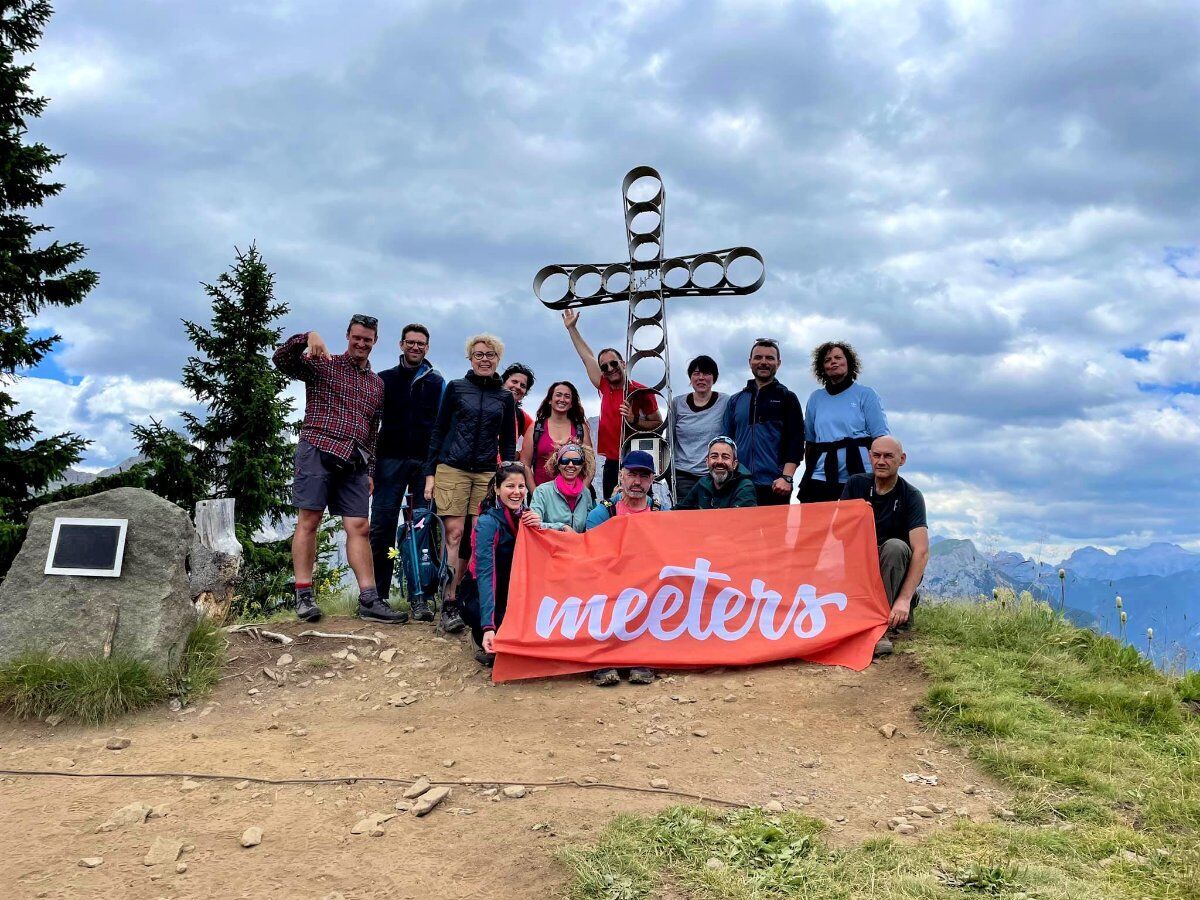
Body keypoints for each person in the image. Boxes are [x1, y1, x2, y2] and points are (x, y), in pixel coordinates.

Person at [273, 314, 406, 625]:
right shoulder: (323, 363)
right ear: (348, 336)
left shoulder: (376, 385)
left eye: (368, 339)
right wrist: (308, 334)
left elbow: (373, 429)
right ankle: (304, 595)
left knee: (359, 526)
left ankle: (369, 599)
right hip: (318, 446)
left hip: (356, 458)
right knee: (309, 519)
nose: (361, 343)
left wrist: (371, 469)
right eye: (357, 337)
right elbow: (281, 360)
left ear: (375, 342)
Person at [424, 334, 517, 633]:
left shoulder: (504, 398)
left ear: (498, 359)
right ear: (470, 358)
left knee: (480, 537)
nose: (485, 359)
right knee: (453, 534)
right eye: (479, 354)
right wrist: (430, 471)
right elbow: (439, 430)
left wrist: (509, 476)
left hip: (487, 473)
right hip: (452, 467)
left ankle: (475, 600)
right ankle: (449, 603)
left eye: (491, 354)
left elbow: (509, 440)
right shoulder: (455, 388)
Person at [369, 324, 445, 622]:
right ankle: (378, 596)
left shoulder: (437, 383)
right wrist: (371, 469)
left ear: (427, 347)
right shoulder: (384, 379)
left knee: (421, 530)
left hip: (423, 464)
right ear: (401, 344)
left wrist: (433, 470)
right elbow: (373, 425)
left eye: (421, 344)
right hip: (389, 461)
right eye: (411, 342)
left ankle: (421, 598)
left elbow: (439, 429)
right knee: (382, 526)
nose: (415, 347)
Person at [840, 436, 929, 657]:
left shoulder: (912, 496)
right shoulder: (855, 484)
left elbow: (922, 551)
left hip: (892, 565)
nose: (881, 461)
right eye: (877, 455)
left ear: (902, 460)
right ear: (869, 456)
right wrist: (853, 517)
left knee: (896, 547)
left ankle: (877, 629)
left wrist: (904, 599)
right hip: (859, 566)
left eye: (889, 456)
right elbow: (836, 533)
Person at [562, 309, 663, 498]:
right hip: (611, 462)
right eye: (604, 366)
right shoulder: (604, 385)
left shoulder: (640, 391)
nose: (610, 369)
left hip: (635, 461)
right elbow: (586, 357)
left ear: (623, 364)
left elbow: (657, 424)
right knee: (611, 509)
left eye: (614, 364)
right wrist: (572, 329)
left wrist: (633, 420)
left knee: (639, 509)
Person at [585, 449, 661, 687]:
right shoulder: (602, 513)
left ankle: (642, 658)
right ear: (620, 476)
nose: (637, 482)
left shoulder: (661, 515)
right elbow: (591, 556)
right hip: (610, 585)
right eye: (631, 474)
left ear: (652, 481)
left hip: (647, 586)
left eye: (644, 476)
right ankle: (604, 659)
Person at [458, 462, 541, 667]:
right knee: (503, 644)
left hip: (511, 590)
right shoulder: (487, 523)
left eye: (521, 487)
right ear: (497, 489)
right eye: (510, 486)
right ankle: (481, 634)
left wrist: (539, 527)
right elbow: (486, 576)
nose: (516, 492)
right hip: (482, 590)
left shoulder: (526, 516)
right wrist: (488, 625)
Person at [798, 341, 889, 503]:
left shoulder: (866, 395)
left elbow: (881, 437)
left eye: (838, 357)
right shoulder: (815, 398)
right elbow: (810, 441)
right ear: (822, 368)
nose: (833, 362)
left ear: (848, 362)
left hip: (860, 472)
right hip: (821, 474)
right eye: (827, 360)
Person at [722, 338, 804, 507]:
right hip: (739, 485)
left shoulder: (788, 398)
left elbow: (796, 442)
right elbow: (726, 442)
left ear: (778, 363)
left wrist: (787, 478)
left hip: (776, 485)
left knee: (776, 534)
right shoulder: (736, 400)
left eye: (770, 358)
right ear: (750, 361)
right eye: (758, 357)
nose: (764, 362)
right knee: (741, 534)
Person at [669, 355, 731, 504]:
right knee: (686, 520)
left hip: (715, 473)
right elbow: (669, 439)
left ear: (714, 378)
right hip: (683, 475)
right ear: (690, 378)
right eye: (696, 374)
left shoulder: (726, 402)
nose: (701, 378)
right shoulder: (677, 403)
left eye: (707, 373)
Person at [519, 380, 592, 489]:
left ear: (572, 403)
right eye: (558, 395)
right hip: (542, 496)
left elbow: (590, 465)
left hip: (575, 496)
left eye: (567, 396)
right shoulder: (536, 428)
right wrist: (536, 495)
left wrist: (582, 494)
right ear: (549, 400)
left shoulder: (581, 428)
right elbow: (525, 465)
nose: (562, 399)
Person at [675, 437, 757, 511]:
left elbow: (742, 522)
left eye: (725, 457)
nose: (719, 461)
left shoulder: (745, 487)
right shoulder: (703, 483)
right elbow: (680, 510)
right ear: (707, 462)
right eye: (714, 456)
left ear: (734, 464)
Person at [530, 442, 596, 531]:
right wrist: (561, 527)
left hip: (577, 544)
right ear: (558, 464)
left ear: (582, 465)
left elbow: (590, 526)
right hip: (550, 544)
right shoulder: (542, 491)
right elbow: (534, 524)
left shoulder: (586, 493)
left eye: (576, 461)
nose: (570, 465)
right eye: (565, 461)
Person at [501, 363, 536, 448]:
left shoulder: (522, 417)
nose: (518, 387)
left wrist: (520, 454)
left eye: (523, 386)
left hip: (505, 461)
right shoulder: (485, 405)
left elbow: (541, 438)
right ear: (503, 382)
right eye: (514, 382)